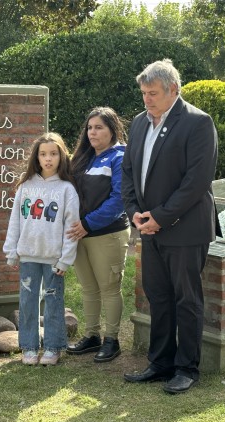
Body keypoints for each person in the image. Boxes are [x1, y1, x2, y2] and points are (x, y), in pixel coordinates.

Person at [121, 59, 218, 394]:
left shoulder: (197, 122)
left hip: (185, 228)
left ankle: (187, 368)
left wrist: (160, 217)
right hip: (147, 227)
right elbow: (128, 173)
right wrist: (134, 211)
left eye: (153, 93)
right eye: (144, 93)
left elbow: (196, 182)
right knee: (158, 296)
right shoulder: (137, 124)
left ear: (173, 90)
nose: (147, 99)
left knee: (186, 299)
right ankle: (160, 363)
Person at [3, 132, 80, 366]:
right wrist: (11, 251)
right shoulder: (25, 186)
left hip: (54, 259)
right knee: (27, 302)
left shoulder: (67, 189)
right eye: (43, 154)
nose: (48, 159)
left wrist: (65, 259)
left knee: (54, 303)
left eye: (53, 154)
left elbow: (71, 227)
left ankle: (53, 347)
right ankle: (28, 347)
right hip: (28, 256)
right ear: (36, 158)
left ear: (61, 156)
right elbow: (15, 220)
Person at [65, 107, 131, 363]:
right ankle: (91, 336)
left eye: (99, 127)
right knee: (89, 289)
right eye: (90, 127)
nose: (92, 132)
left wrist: (88, 224)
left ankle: (111, 340)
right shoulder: (84, 157)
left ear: (112, 130)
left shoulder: (120, 157)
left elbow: (119, 199)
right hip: (80, 234)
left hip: (107, 235)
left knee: (109, 288)